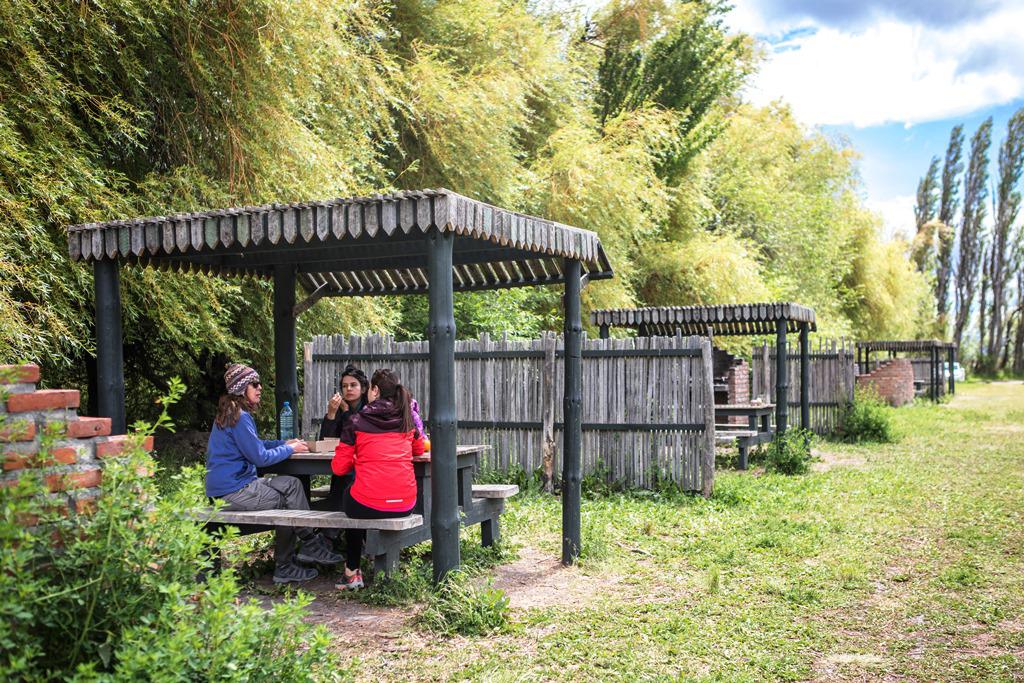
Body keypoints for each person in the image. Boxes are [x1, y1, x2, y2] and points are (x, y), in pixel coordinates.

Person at [206, 362, 342, 584]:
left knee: (292, 485)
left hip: (233, 487)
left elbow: (255, 445)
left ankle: (308, 543)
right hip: (233, 492)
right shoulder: (239, 417)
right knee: (287, 502)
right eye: (254, 384)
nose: (260, 388)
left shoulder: (231, 412)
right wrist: (289, 449)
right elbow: (259, 458)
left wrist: (283, 442)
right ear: (242, 388)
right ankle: (287, 564)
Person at [331, 368, 424, 590]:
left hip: (365, 504)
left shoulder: (356, 421)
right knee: (361, 492)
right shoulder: (407, 418)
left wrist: (358, 455)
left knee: (351, 493)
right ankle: (369, 561)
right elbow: (419, 449)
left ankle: (352, 572)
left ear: (374, 390)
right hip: (405, 504)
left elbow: (339, 468)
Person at [319, 364, 369, 439]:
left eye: (353, 385)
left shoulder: (369, 409)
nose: (348, 389)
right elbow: (324, 441)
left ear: (363, 389)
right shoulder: (337, 408)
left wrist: (346, 412)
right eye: (344, 386)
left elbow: (356, 437)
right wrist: (331, 414)